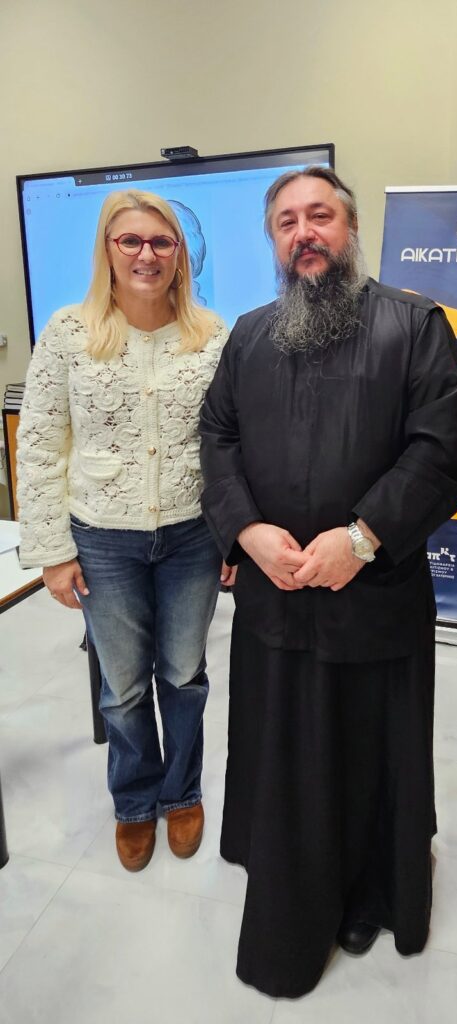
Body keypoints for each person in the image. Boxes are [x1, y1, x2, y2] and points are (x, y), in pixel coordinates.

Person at [199, 166, 457, 998]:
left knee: (365, 751)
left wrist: (361, 538)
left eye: (319, 215)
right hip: (274, 595)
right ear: (273, 239)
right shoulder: (249, 334)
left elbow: (440, 453)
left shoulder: (414, 325)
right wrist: (246, 530)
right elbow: (216, 438)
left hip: (373, 596)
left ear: (350, 229)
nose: (303, 233)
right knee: (284, 742)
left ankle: (366, 892)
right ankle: (286, 872)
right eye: (286, 221)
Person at [17, 189, 231, 872]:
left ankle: (182, 792)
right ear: (107, 252)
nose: (147, 254)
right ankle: (135, 801)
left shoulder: (213, 336)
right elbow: (39, 445)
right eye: (130, 240)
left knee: (185, 675)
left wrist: (235, 533)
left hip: (193, 537)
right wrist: (52, 552)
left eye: (161, 242)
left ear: (180, 255)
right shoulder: (68, 333)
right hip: (103, 541)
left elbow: (232, 444)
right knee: (124, 686)